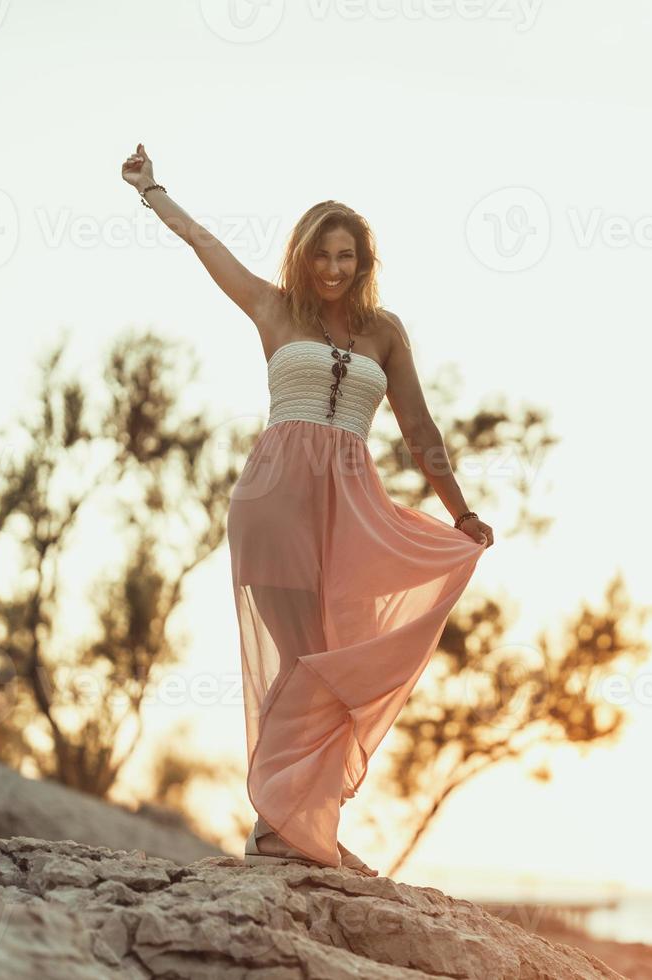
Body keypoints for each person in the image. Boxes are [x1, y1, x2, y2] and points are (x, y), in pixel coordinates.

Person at [121, 143, 494, 876]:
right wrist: (152, 190)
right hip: (275, 501)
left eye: (346, 255)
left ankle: (296, 822)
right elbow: (206, 244)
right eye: (321, 253)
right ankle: (284, 824)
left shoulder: (385, 333)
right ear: (303, 255)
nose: (332, 267)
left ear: (363, 262)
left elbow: (419, 430)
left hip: (351, 510)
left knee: (339, 662)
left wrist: (461, 512)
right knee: (304, 662)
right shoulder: (272, 308)